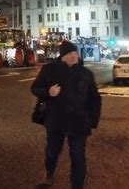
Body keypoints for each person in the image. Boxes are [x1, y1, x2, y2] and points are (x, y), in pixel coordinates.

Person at [31, 41, 101, 189]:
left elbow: (95, 99)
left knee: (78, 157)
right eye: (70, 54)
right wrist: (48, 92)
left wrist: (92, 121)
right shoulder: (49, 70)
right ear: (62, 56)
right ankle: (49, 173)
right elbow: (35, 88)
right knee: (52, 152)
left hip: (79, 123)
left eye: (75, 53)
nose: (74, 56)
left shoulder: (85, 74)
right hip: (56, 121)